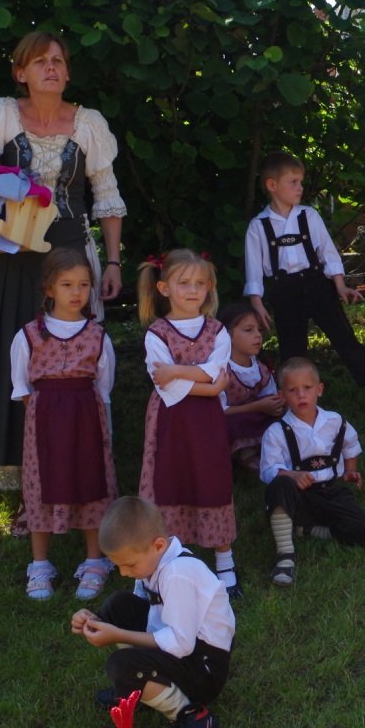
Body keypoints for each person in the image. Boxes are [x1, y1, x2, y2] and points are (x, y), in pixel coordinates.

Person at [0, 31, 126, 491]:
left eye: (58, 60)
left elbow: (108, 196)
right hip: (13, 257)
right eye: (39, 61)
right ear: (21, 73)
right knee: (16, 356)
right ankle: (19, 472)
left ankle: (74, 466)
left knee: (72, 360)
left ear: (68, 72)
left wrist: (114, 262)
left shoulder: (88, 123)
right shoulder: (2, 115)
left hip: (71, 258)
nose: (50, 67)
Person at [71, 496, 233, 728]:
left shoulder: (178, 573)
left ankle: (191, 714)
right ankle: (140, 688)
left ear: (158, 545)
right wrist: (93, 620)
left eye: (130, 565)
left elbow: (181, 643)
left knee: (122, 665)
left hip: (203, 669)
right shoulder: (154, 562)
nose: (124, 572)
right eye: (118, 565)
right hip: (183, 650)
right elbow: (143, 608)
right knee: (116, 605)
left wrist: (118, 635)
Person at [243, 151, 365, 420]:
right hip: (285, 292)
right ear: (272, 185)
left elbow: (328, 253)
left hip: (318, 284)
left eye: (301, 182)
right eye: (293, 182)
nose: (300, 187)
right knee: (292, 349)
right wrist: (256, 302)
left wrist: (339, 286)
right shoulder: (258, 226)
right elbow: (253, 270)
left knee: (344, 337)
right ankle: (295, 405)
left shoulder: (309, 216)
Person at [10, 248, 117, 600]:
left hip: (87, 423)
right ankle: (40, 565)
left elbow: (103, 389)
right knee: (41, 486)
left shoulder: (98, 336)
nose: (77, 292)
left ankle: (95, 562)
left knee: (91, 483)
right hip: (44, 427)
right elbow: (22, 389)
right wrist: (48, 421)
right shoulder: (28, 335)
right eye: (67, 284)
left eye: (84, 284)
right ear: (49, 288)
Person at [137, 249, 241, 600]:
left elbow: (217, 370)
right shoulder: (156, 334)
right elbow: (167, 386)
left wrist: (180, 370)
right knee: (170, 482)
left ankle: (224, 563)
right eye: (184, 283)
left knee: (212, 482)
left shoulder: (218, 330)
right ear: (165, 288)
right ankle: (158, 569)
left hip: (207, 423)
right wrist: (209, 387)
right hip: (171, 422)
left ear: (209, 287)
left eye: (200, 283)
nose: (193, 290)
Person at [258, 356, 365, 587]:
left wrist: (350, 470)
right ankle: (285, 555)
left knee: (364, 530)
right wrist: (293, 476)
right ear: (282, 395)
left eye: (307, 388)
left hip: (330, 492)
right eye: (292, 390)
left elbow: (350, 445)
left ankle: (308, 530)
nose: (301, 395)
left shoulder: (335, 422)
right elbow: (268, 471)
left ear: (319, 390)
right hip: (299, 497)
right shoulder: (276, 432)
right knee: (279, 486)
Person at [217, 303, 285, 472]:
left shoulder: (261, 369)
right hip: (228, 422)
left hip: (253, 419)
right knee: (227, 424)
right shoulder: (220, 370)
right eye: (249, 330)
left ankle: (252, 450)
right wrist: (258, 406)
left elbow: (269, 399)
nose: (258, 335)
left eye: (259, 330)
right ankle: (234, 454)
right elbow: (219, 410)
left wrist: (278, 404)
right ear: (227, 335)